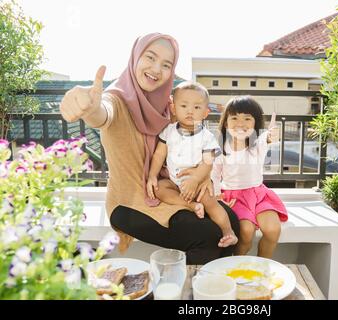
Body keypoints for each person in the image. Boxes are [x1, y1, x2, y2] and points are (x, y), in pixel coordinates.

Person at [59, 33, 239, 264]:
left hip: (169, 188)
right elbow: (103, 114)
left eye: (166, 65)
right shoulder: (117, 99)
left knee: (232, 220)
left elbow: (190, 147)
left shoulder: (168, 106)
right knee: (207, 235)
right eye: (150, 57)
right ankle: (187, 294)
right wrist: (89, 109)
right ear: (135, 57)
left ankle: (213, 289)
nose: (156, 69)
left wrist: (200, 175)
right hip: (129, 202)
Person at [147, 81, 238, 248]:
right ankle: (191, 205)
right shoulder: (168, 131)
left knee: (211, 204)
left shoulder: (207, 137)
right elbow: (159, 154)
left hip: (198, 183)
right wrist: (152, 175)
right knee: (159, 188)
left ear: (205, 113)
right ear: (174, 109)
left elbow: (207, 162)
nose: (190, 111)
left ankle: (228, 232)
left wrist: (195, 180)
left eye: (196, 107)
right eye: (183, 105)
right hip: (175, 181)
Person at [211, 96, 288, 258]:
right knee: (246, 233)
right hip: (233, 196)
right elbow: (215, 174)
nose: (240, 123)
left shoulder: (257, 142)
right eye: (234, 118)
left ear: (255, 123)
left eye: (247, 118)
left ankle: (262, 266)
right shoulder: (220, 146)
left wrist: (272, 135)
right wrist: (217, 196)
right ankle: (237, 266)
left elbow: (267, 138)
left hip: (258, 195)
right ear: (226, 123)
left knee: (273, 230)